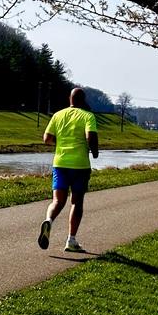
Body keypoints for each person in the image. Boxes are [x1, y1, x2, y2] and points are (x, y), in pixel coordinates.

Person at [38, 87, 99, 252]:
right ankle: (71, 240)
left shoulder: (58, 115)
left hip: (60, 163)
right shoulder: (87, 116)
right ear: (83, 100)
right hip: (79, 165)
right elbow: (90, 136)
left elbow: (47, 139)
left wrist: (59, 144)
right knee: (76, 202)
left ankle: (49, 221)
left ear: (70, 99)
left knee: (57, 201)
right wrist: (94, 152)